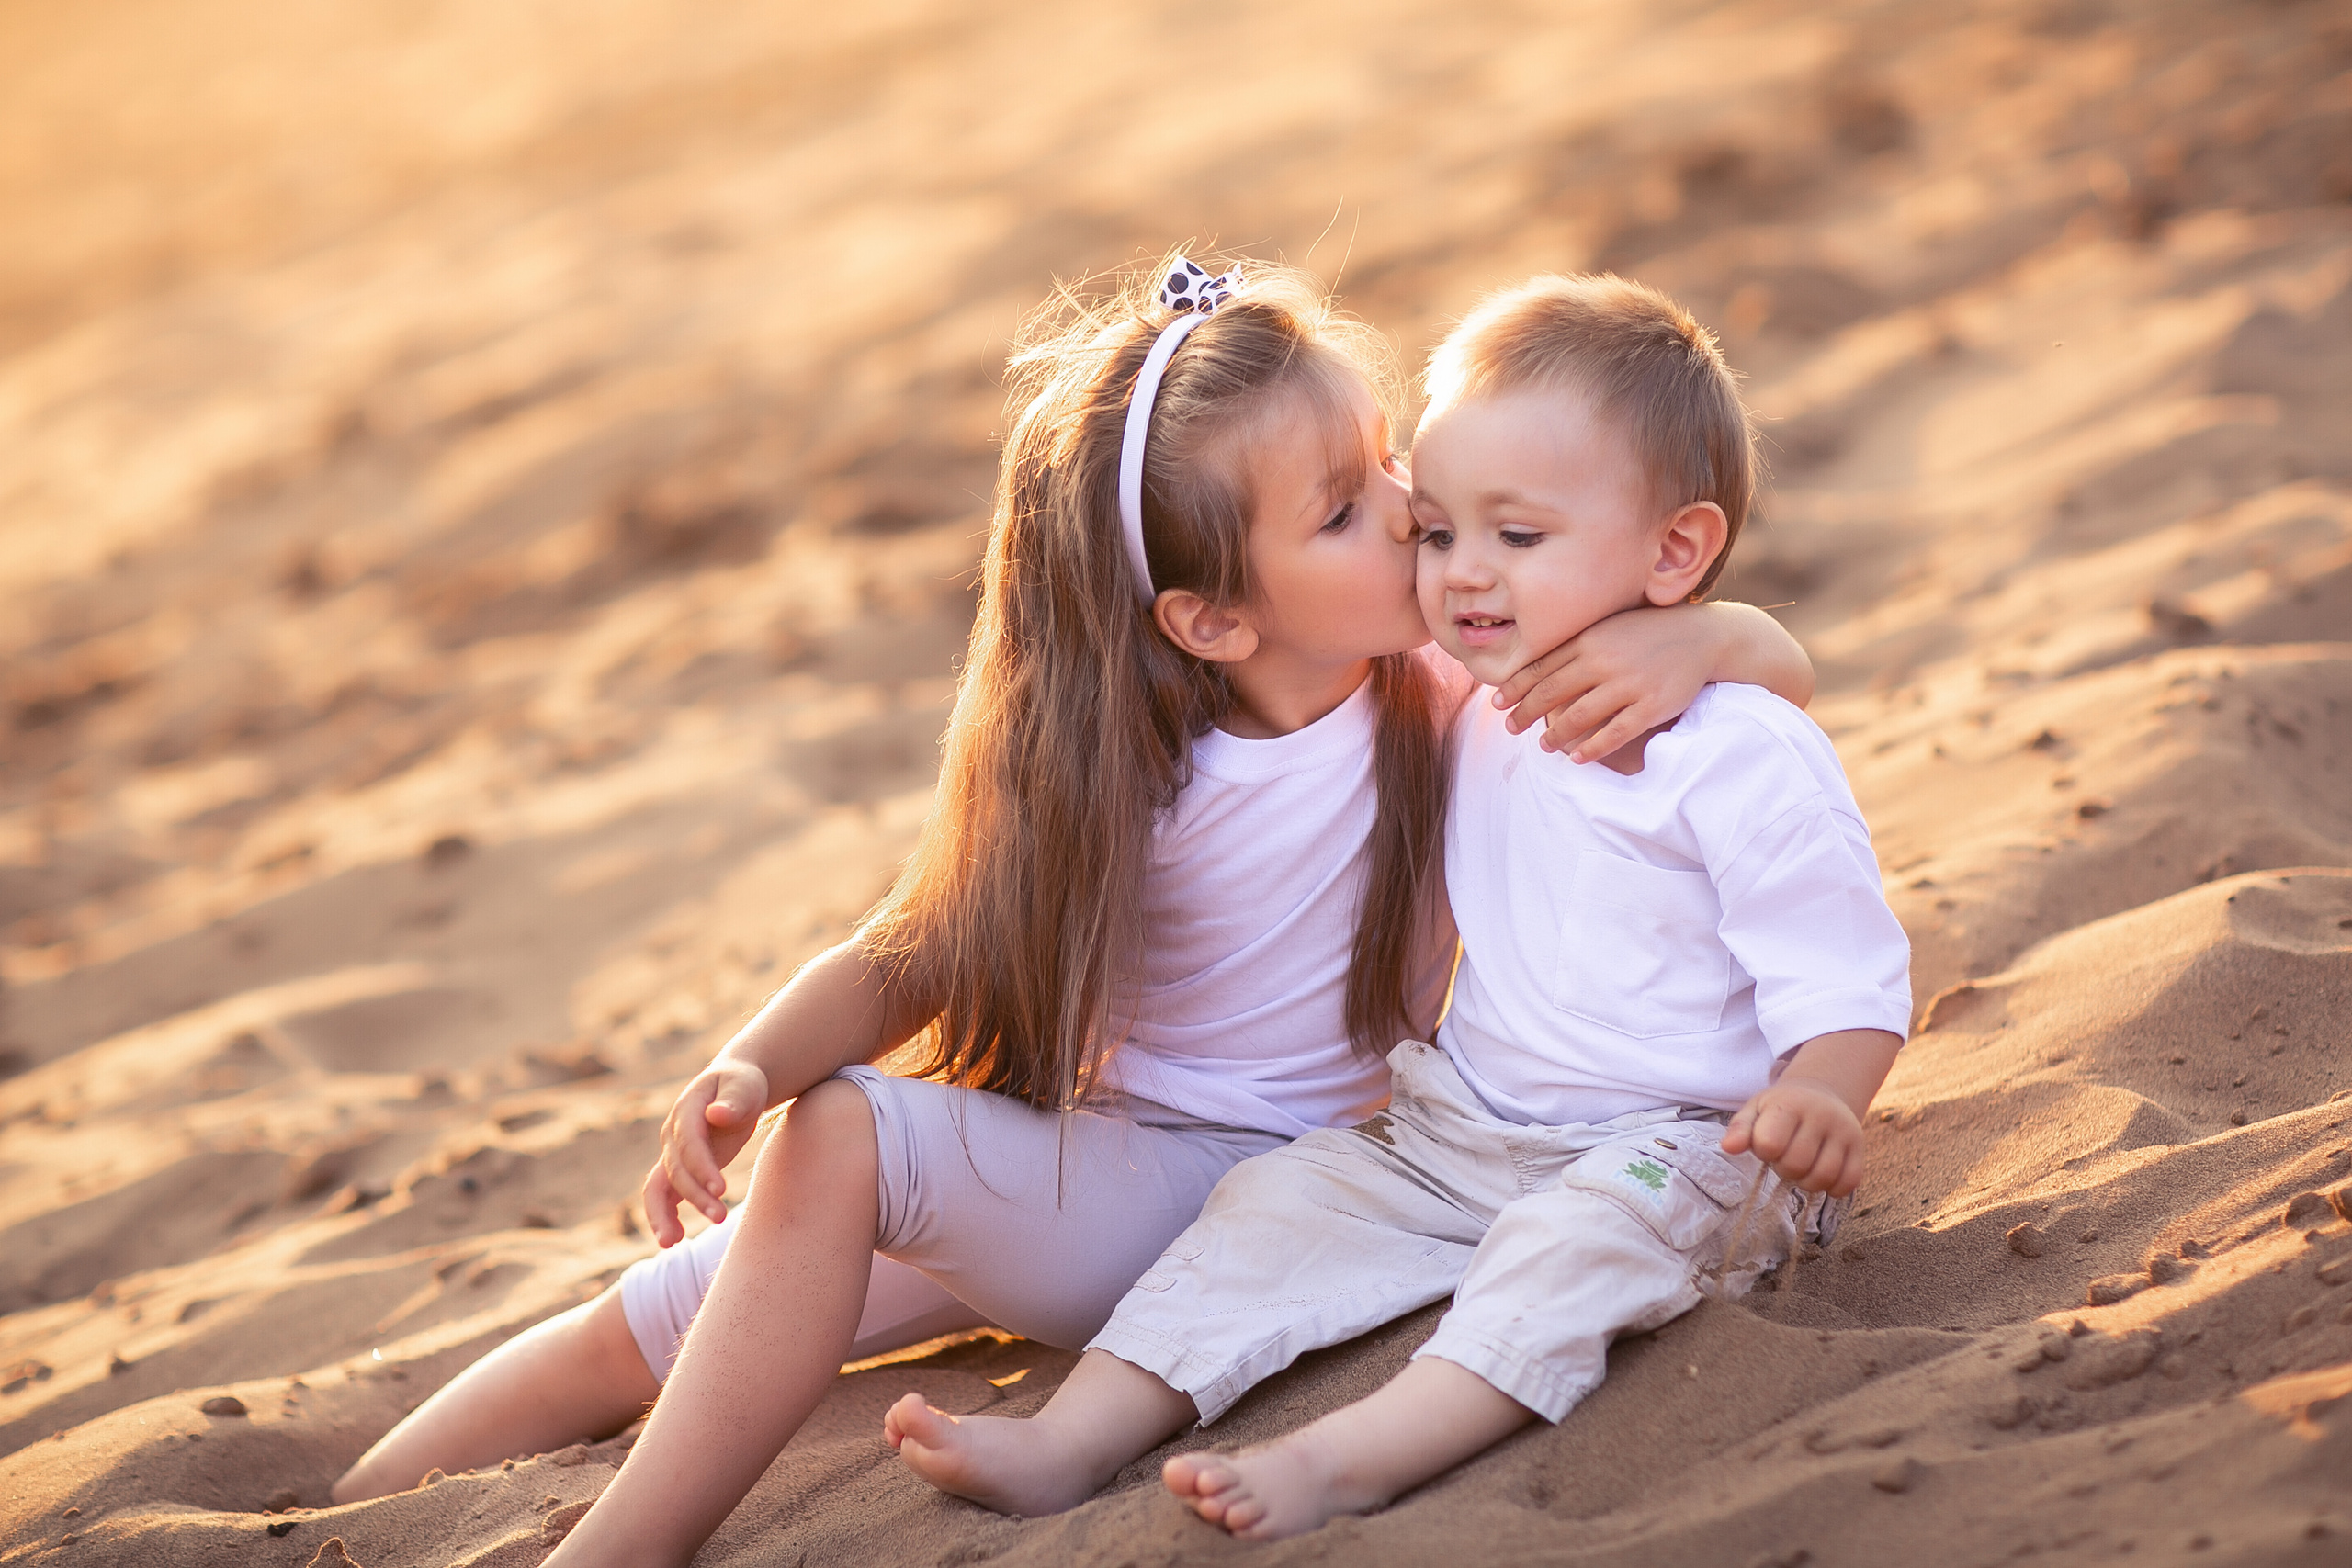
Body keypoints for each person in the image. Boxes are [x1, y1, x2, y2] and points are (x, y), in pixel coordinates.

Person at [329, 257, 1815, 1566]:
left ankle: (626, 1548)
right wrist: (747, 1066)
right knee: (649, 1322)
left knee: (847, 1136)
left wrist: (1717, 634)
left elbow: (1755, 678)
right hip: (1089, 1173)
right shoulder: (1133, 771)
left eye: (1387, 461)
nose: (1414, 512)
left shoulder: (1452, 679)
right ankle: (326, 1516)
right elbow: (920, 951)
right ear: (1213, 619)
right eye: (1348, 508)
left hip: (1254, 1198)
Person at [884, 272, 1912, 1541]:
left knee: (1573, 1251)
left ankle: (1350, 1460)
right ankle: (1069, 1441)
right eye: (1434, 530)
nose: (1463, 574)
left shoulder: (1740, 753)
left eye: (1516, 538)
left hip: (1692, 1142)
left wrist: (1823, 1096)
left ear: (1673, 551)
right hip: (1464, 1124)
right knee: (1275, 1206)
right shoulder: (1472, 694)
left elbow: (1848, 975)